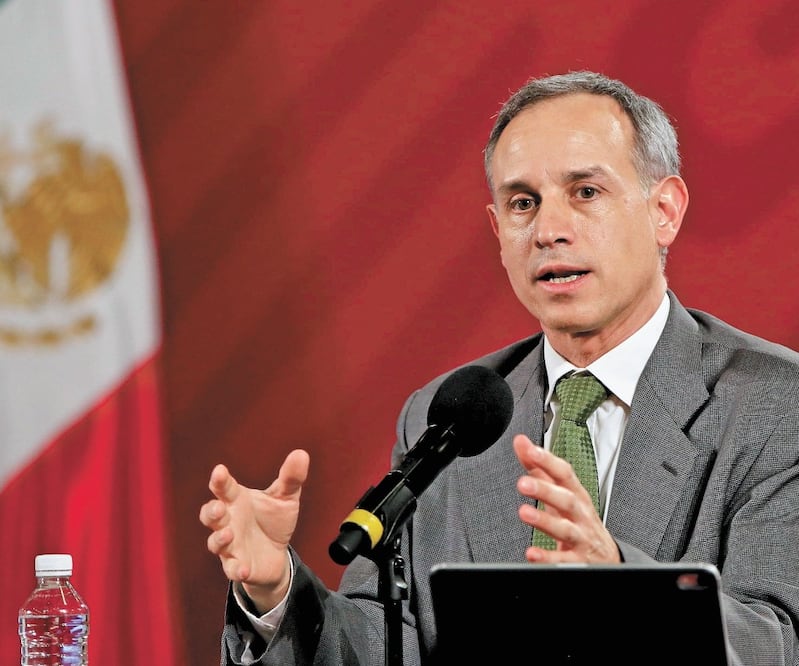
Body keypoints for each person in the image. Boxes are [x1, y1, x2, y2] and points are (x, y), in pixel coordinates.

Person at [199, 70, 799, 665]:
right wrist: (277, 592)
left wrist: (618, 579)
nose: (548, 231)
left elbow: (775, 642)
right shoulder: (450, 417)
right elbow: (388, 645)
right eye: (523, 203)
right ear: (497, 230)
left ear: (664, 209)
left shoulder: (774, 404)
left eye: (585, 192)